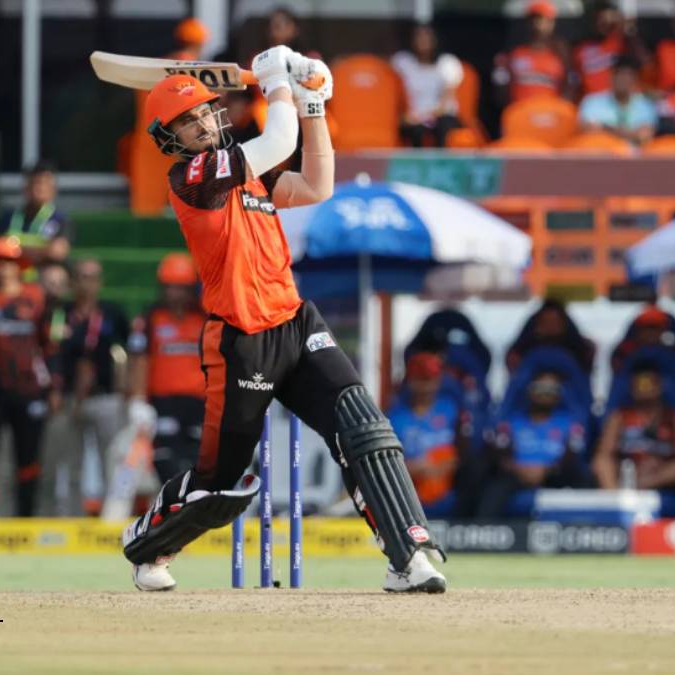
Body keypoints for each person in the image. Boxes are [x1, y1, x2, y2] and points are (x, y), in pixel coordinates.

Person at [124, 48, 446, 593]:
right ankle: (147, 545)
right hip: (241, 339)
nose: (202, 121)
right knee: (222, 486)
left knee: (363, 428)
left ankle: (409, 556)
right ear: (171, 137)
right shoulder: (194, 178)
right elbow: (278, 142)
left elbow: (316, 184)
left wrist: (313, 102)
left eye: (205, 111)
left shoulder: (252, 178)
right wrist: (277, 85)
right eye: (187, 119)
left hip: (296, 322)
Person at [40, 258, 131, 516]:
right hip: (68, 397)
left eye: (93, 277)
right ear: (73, 282)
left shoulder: (113, 313)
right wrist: (55, 391)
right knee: (70, 464)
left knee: (112, 462)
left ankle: (113, 520)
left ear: (100, 282)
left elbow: (129, 353)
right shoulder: (61, 313)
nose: (87, 283)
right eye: (81, 277)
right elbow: (52, 351)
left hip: (105, 396)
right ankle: (72, 519)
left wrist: (127, 392)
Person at [0, 237, 52, 517]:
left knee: (28, 461)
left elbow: (49, 345)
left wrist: (54, 386)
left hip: (29, 388)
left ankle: (26, 521)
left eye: (9, 262)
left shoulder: (36, 298)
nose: (3, 269)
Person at [127, 253, 206, 484]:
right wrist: (137, 399)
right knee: (165, 458)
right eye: (169, 287)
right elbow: (139, 359)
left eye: (180, 288)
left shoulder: (205, 319)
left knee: (197, 458)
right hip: (162, 401)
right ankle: (172, 508)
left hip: (199, 402)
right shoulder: (151, 319)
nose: (174, 294)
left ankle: (193, 508)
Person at [480, 370, 589, 517]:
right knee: (495, 483)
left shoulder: (570, 422)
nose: (546, 394)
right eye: (541, 388)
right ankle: (484, 529)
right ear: (530, 391)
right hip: (517, 474)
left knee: (582, 477)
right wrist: (519, 469)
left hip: (555, 474)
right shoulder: (512, 422)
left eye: (552, 389)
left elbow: (572, 454)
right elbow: (500, 453)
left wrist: (546, 470)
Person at [592, 362, 675, 491]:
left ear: (659, 386)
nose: (644, 388)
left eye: (649, 383)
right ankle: (615, 501)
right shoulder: (619, 417)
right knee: (601, 463)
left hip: (662, 475)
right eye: (639, 383)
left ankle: (640, 486)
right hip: (626, 471)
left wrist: (657, 473)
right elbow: (605, 453)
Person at [386, 353, 461, 519]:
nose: (425, 387)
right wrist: (414, 467)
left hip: (448, 491)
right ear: (410, 382)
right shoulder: (395, 418)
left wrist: (444, 463)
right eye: (420, 380)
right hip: (408, 493)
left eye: (430, 380)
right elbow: (388, 462)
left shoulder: (451, 409)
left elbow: (463, 451)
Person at [391, 24, 465, 147]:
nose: (423, 41)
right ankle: (416, 165)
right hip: (412, 118)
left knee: (444, 126)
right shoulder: (402, 62)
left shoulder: (447, 63)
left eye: (427, 37)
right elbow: (393, 93)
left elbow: (446, 100)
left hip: (441, 115)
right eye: (419, 37)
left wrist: (423, 116)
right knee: (416, 130)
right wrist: (404, 116)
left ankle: (442, 164)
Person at [0, 162, 72, 269]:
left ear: (53, 190)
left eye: (43, 184)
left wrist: (13, 249)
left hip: (43, 272)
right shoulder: (7, 217)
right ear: (25, 188)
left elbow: (57, 252)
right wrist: (42, 250)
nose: (38, 188)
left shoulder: (61, 219)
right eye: (34, 183)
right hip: (13, 273)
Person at [496, 1, 569, 103]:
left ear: (552, 23)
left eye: (542, 19)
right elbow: (501, 93)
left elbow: (569, 89)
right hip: (521, 113)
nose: (537, 24)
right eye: (533, 19)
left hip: (551, 113)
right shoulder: (514, 54)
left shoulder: (561, 54)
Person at [574, 0, 648, 97]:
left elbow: (644, 62)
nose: (604, 23)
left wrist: (626, 27)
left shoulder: (622, 41)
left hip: (626, 99)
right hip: (595, 104)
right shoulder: (581, 50)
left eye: (607, 21)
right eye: (599, 19)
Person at [578, 56, 657, 146]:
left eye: (628, 75)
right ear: (611, 76)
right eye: (618, 73)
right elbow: (589, 130)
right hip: (601, 155)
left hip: (633, 157)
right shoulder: (592, 101)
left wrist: (605, 127)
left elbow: (643, 137)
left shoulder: (645, 105)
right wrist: (630, 134)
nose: (622, 79)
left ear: (635, 79)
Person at [505, 299, 596, 375]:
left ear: (563, 325)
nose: (550, 326)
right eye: (546, 322)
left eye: (555, 322)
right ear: (537, 326)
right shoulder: (523, 352)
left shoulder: (576, 352)